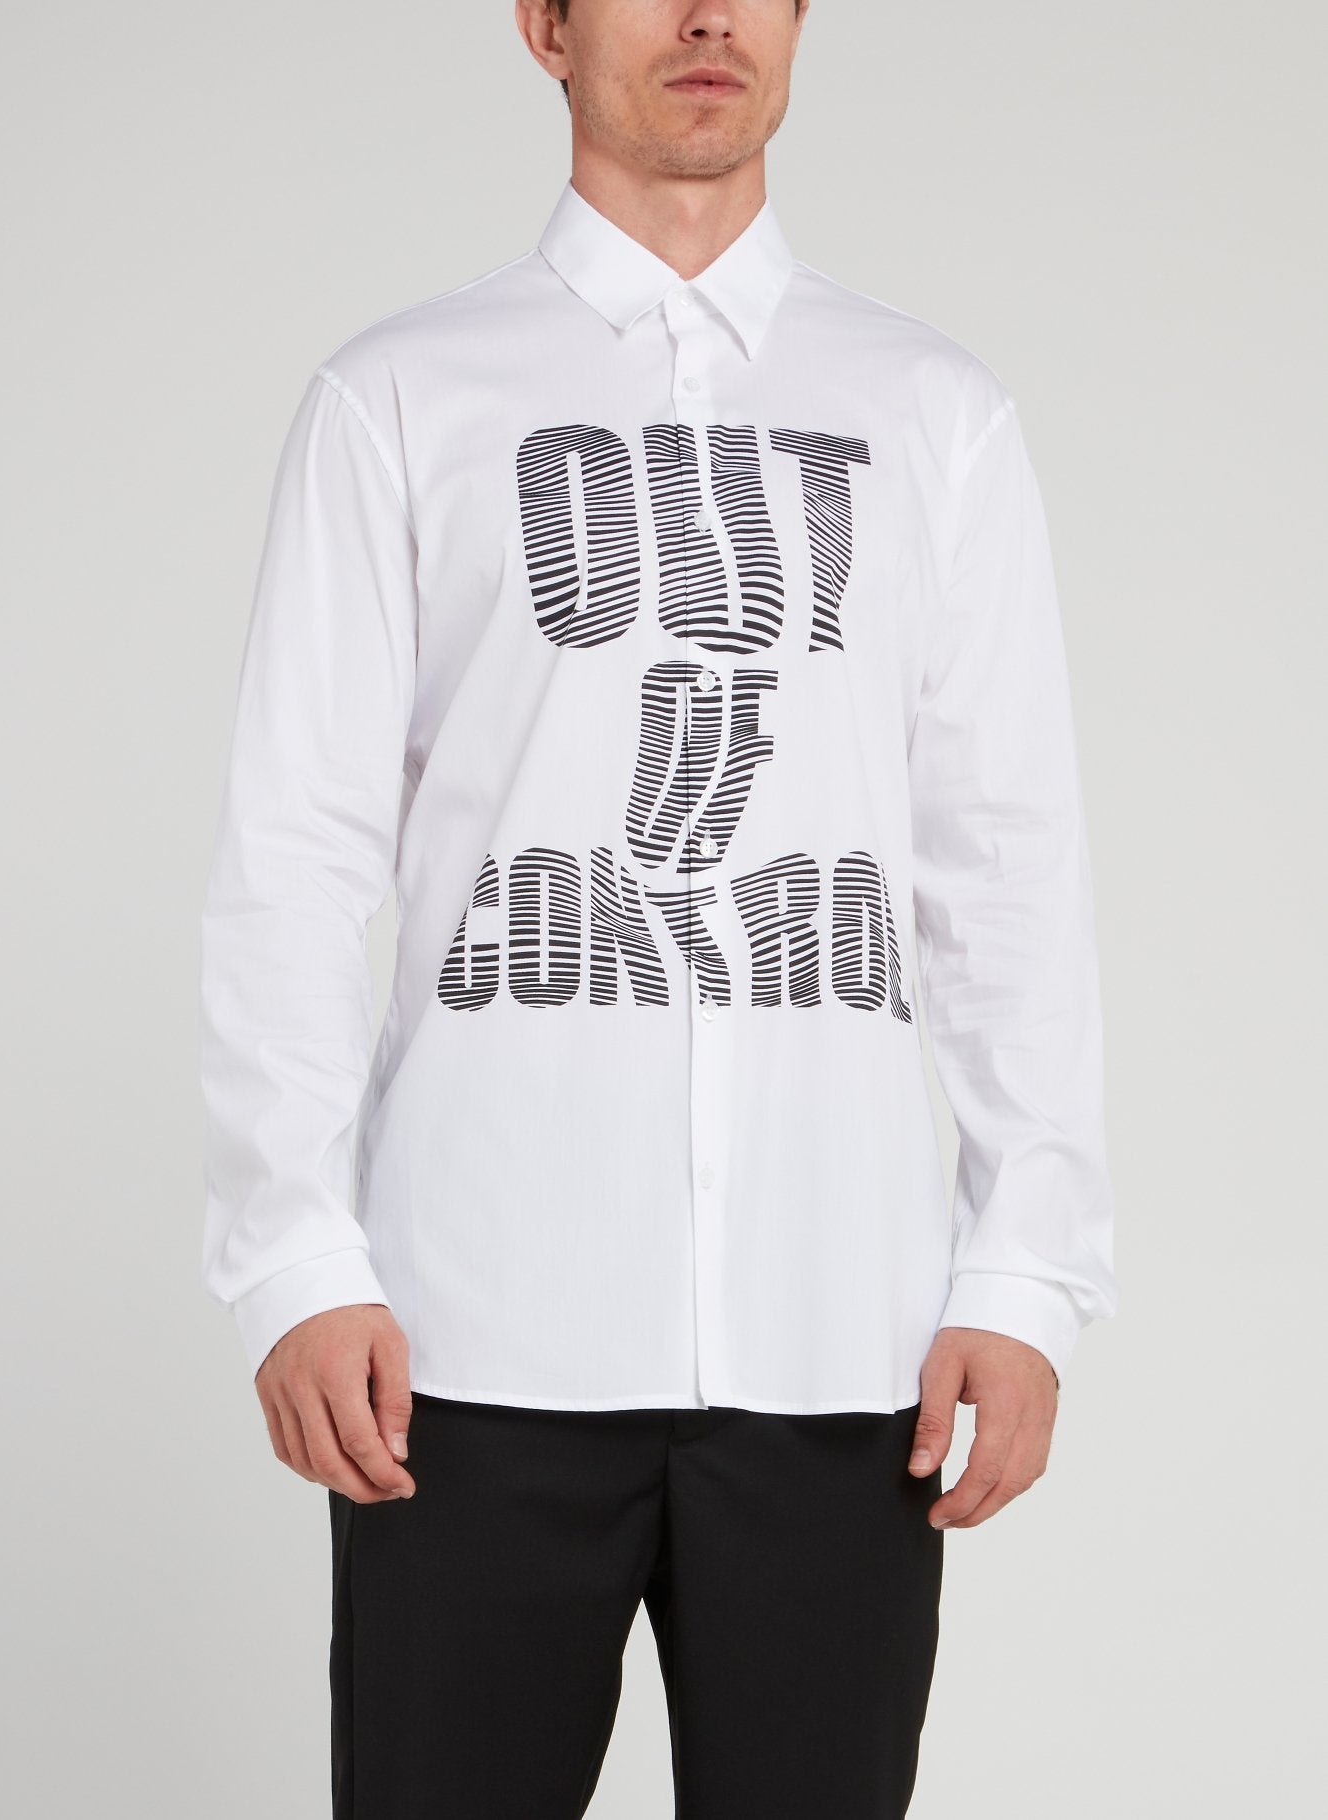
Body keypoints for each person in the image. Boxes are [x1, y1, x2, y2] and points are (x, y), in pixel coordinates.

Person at [198, 2, 1118, 1814]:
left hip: (839, 1339)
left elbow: (1003, 860)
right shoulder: (400, 399)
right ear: (546, 24)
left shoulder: (933, 414)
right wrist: (292, 1256)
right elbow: (293, 850)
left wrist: (1026, 1268)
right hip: (463, 1344)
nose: (706, 17)